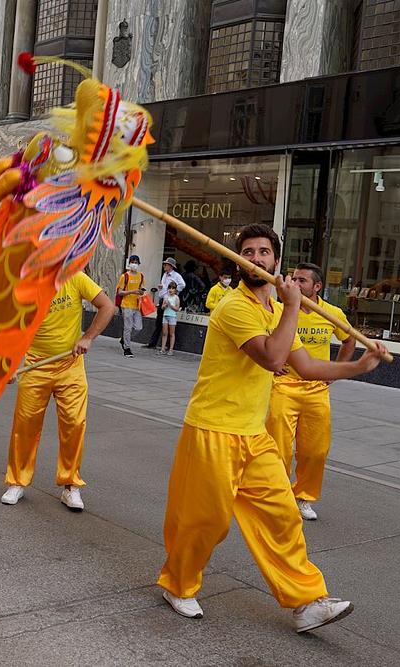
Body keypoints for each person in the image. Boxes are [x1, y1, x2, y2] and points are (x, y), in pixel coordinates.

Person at [157, 223, 387, 633]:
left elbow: (307, 367)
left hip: (254, 434)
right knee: (204, 521)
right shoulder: (234, 307)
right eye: (249, 252)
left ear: (276, 261)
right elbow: (272, 357)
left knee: (283, 516)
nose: (257, 258)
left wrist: (358, 366)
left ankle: (306, 601)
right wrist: (294, 305)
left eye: (265, 252)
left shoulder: (278, 311)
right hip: (213, 429)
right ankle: (178, 584)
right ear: (240, 260)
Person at [1, 272, 117, 511]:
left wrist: (88, 337)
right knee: (25, 425)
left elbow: (107, 306)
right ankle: (17, 481)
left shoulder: (74, 277)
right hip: (36, 366)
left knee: (74, 424)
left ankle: (70, 485)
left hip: (71, 365)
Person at [266, 263, 356, 522]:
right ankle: (278, 496)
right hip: (284, 387)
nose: (295, 283)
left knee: (315, 450)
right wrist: (271, 367)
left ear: (317, 287)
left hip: (316, 390)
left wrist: (335, 371)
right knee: (279, 446)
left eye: (302, 280)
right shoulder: (281, 310)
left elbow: (349, 340)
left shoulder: (332, 312)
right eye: (294, 279)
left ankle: (303, 497)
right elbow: (262, 338)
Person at [145, 257, 185, 348]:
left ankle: (166, 345)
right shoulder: (165, 275)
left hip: (170, 300)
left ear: (170, 266)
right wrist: (161, 287)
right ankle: (153, 343)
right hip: (163, 299)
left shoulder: (176, 276)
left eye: (166, 265)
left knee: (168, 322)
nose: (164, 266)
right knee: (159, 322)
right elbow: (164, 286)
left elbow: (182, 285)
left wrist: (174, 291)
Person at [116, 255, 145, 358]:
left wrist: (141, 292)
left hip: (137, 305)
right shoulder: (125, 276)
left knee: (138, 328)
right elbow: (120, 292)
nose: (135, 264)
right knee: (128, 327)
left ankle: (124, 339)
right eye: (133, 262)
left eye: (136, 262)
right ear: (130, 263)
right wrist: (132, 291)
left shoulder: (141, 276)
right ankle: (127, 348)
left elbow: (141, 289)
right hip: (126, 304)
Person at [159, 283, 180, 355]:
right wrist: (164, 305)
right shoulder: (166, 297)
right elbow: (162, 307)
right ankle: (162, 348)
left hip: (172, 316)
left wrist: (170, 305)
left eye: (172, 288)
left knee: (172, 334)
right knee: (164, 333)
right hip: (165, 315)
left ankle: (171, 349)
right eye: (169, 288)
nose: (171, 290)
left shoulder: (176, 298)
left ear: (175, 290)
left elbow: (177, 309)